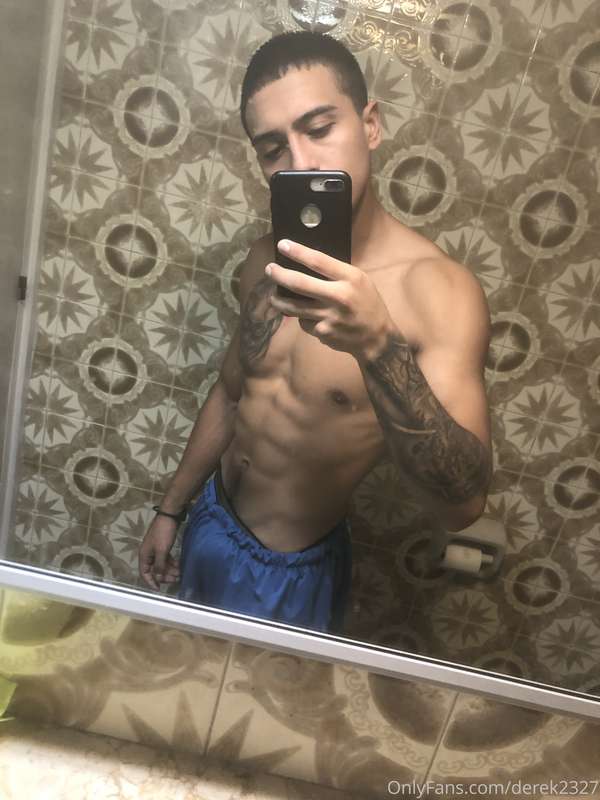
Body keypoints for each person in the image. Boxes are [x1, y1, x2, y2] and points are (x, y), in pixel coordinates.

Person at [138, 31, 493, 633]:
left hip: (291, 568)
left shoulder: (439, 293)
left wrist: (378, 347)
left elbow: (463, 505)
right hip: (211, 519)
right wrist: (171, 510)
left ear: (370, 124)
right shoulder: (264, 260)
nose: (300, 163)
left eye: (320, 128)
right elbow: (231, 393)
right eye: (273, 147)